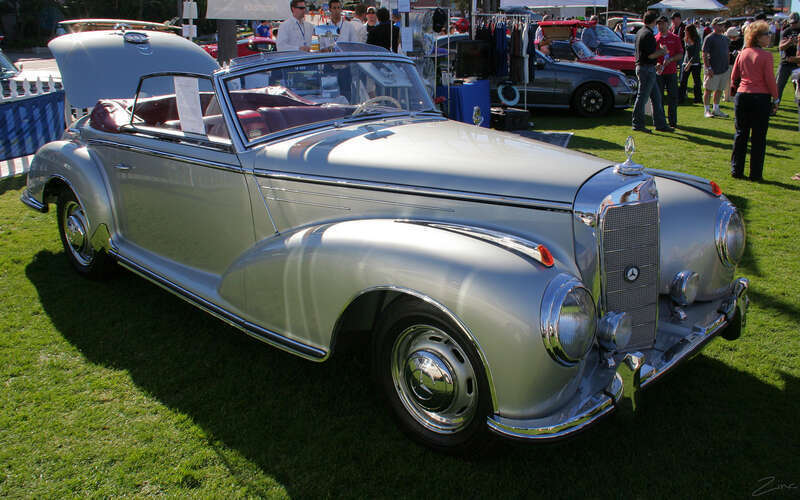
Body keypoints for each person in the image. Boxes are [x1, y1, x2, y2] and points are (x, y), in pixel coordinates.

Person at [729, 21, 778, 181]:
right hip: (760, 97)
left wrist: (734, 89)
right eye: (767, 34)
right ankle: (755, 173)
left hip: (743, 96)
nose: (769, 37)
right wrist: (776, 98)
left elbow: (734, 76)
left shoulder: (742, 53)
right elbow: (770, 79)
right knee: (758, 137)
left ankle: (736, 169)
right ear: (758, 37)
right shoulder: (766, 56)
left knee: (741, 134)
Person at [632, 11, 672, 133]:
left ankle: (660, 124)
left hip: (645, 67)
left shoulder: (641, 32)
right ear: (653, 21)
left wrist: (656, 61)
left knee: (656, 97)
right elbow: (650, 56)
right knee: (643, 97)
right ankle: (637, 124)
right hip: (646, 69)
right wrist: (662, 52)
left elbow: (645, 54)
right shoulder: (648, 34)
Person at [656, 15, 683, 128]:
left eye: (662, 23)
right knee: (659, 97)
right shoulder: (655, 39)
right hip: (659, 73)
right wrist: (657, 63)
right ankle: (661, 121)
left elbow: (680, 54)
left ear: (667, 24)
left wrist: (671, 59)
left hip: (671, 72)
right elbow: (652, 56)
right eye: (659, 24)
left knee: (672, 97)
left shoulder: (675, 38)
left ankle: (673, 121)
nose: (660, 26)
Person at [702, 17, 731, 118]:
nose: (722, 26)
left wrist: (727, 65)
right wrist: (708, 68)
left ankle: (716, 109)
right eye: (719, 25)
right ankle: (707, 110)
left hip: (723, 68)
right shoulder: (709, 38)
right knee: (708, 90)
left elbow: (727, 52)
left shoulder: (725, 38)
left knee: (719, 90)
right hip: (712, 68)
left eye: (723, 25)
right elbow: (704, 54)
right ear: (714, 25)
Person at [775, 12, 800, 110]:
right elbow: (780, 47)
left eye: (795, 22)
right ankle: (774, 107)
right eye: (792, 23)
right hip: (785, 63)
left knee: (798, 88)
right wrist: (789, 42)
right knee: (778, 86)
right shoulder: (786, 31)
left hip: (797, 64)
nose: (793, 24)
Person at [679, 23, 703, 104]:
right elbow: (685, 52)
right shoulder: (685, 39)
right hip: (685, 62)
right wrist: (686, 63)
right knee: (683, 81)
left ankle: (698, 98)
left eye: (686, 30)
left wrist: (690, 64)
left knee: (696, 82)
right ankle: (681, 98)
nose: (684, 31)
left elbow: (696, 53)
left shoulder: (697, 39)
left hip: (695, 63)